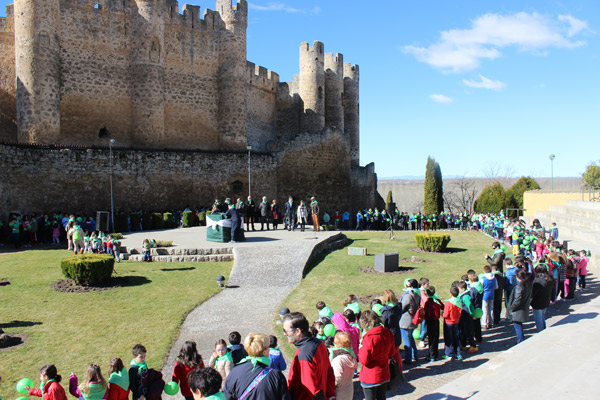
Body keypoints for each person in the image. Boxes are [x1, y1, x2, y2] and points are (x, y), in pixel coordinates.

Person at [282, 312, 335, 400]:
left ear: (298, 331)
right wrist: (330, 395)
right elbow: (330, 372)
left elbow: (312, 389)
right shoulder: (319, 343)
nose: (284, 334)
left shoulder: (304, 355)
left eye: (286, 331)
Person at [223, 333, 290, 400]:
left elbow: (228, 396)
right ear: (264, 352)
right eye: (268, 347)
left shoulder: (234, 372)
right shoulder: (276, 376)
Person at [358, 310, 402, 400]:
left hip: (370, 376)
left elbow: (363, 360)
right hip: (384, 373)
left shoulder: (368, 338)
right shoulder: (388, 332)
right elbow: (391, 352)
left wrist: (360, 349)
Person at [329, 332, 356, 400]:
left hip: (339, 393)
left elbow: (337, 378)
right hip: (348, 390)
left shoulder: (338, 360)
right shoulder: (350, 357)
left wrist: (328, 384)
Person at [509, 270, 533, 344]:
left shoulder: (519, 287)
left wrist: (511, 308)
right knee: (519, 326)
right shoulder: (528, 284)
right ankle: (521, 340)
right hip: (523, 308)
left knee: (518, 326)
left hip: (517, 310)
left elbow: (517, 300)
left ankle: (520, 341)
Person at [399, 279, 420, 364]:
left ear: (411, 287)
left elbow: (402, 307)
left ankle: (408, 359)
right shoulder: (418, 295)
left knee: (406, 340)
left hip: (405, 322)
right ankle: (415, 355)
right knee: (411, 339)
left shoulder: (408, 296)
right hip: (413, 320)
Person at [442, 285, 463, 361]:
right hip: (456, 322)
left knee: (448, 338)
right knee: (456, 338)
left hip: (448, 322)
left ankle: (448, 354)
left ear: (451, 293)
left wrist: (442, 314)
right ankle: (458, 353)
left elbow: (445, 314)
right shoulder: (459, 301)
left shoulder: (449, 303)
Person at [423, 286, 444, 361]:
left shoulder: (428, 302)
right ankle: (435, 353)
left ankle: (432, 355)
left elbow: (427, 313)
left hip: (430, 321)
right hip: (436, 320)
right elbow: (443, 306)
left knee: (431, 338)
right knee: (436, 337)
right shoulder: (437, 300)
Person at [531, 266, 554, 333]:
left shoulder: (538, 281)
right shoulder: (549, 278)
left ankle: (541, 333)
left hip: (537, 302)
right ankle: (543, 330)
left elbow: (533, 293)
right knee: (542, 317)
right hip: (546, 300)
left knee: (538, 319)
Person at [480, 265, 498, 329]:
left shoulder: (483, 279)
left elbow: (481, 288)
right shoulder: (494, 278)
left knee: (484, 310)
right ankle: (491, 323)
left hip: (484, 296)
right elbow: (496, 287)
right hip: (492, 295)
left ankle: (484, 323)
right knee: (491, 309)